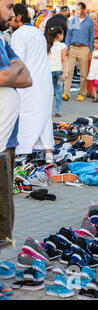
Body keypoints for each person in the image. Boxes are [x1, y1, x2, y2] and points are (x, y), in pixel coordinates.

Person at [0, 0, 32, 263]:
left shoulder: (2, 39)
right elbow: (4, 77)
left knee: (4, 214)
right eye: (9, 6)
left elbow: (27, 76)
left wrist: (9, 73)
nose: (13, 15)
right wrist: (11, 73)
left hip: (7, 139)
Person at [10, 3, 54, 162]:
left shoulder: (19, 34)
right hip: (44, 82)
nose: (9, 20)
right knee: (44, 117)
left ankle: (22, 153)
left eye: (12, 16)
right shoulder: (37, 32)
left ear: (19, 17)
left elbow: (17, 61)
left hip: (28, 83)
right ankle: (49, 155)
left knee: (25, 117)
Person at [63, 2, 95, 102]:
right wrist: (67, 48)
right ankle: (66, 93)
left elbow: (92, 36)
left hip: (84, 48)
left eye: (79, 9)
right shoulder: (73, 20)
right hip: (73, 47)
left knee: (83, 73)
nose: (77, 10)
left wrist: (91, 51)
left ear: (84, 10)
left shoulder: (89, 21)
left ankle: (81, 93)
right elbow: (68, 35)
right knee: (69, 71)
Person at [46, 26, 67, 117]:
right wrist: (64, 72)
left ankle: (47, 110)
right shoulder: (62, 45)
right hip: (59, 70)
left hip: (49, 70)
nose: (63, 36)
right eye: (62, 34)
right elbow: (63, 60)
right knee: (58, 92)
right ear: (59, 35)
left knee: (49, 92)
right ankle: (57, 111)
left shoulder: (47, 45)